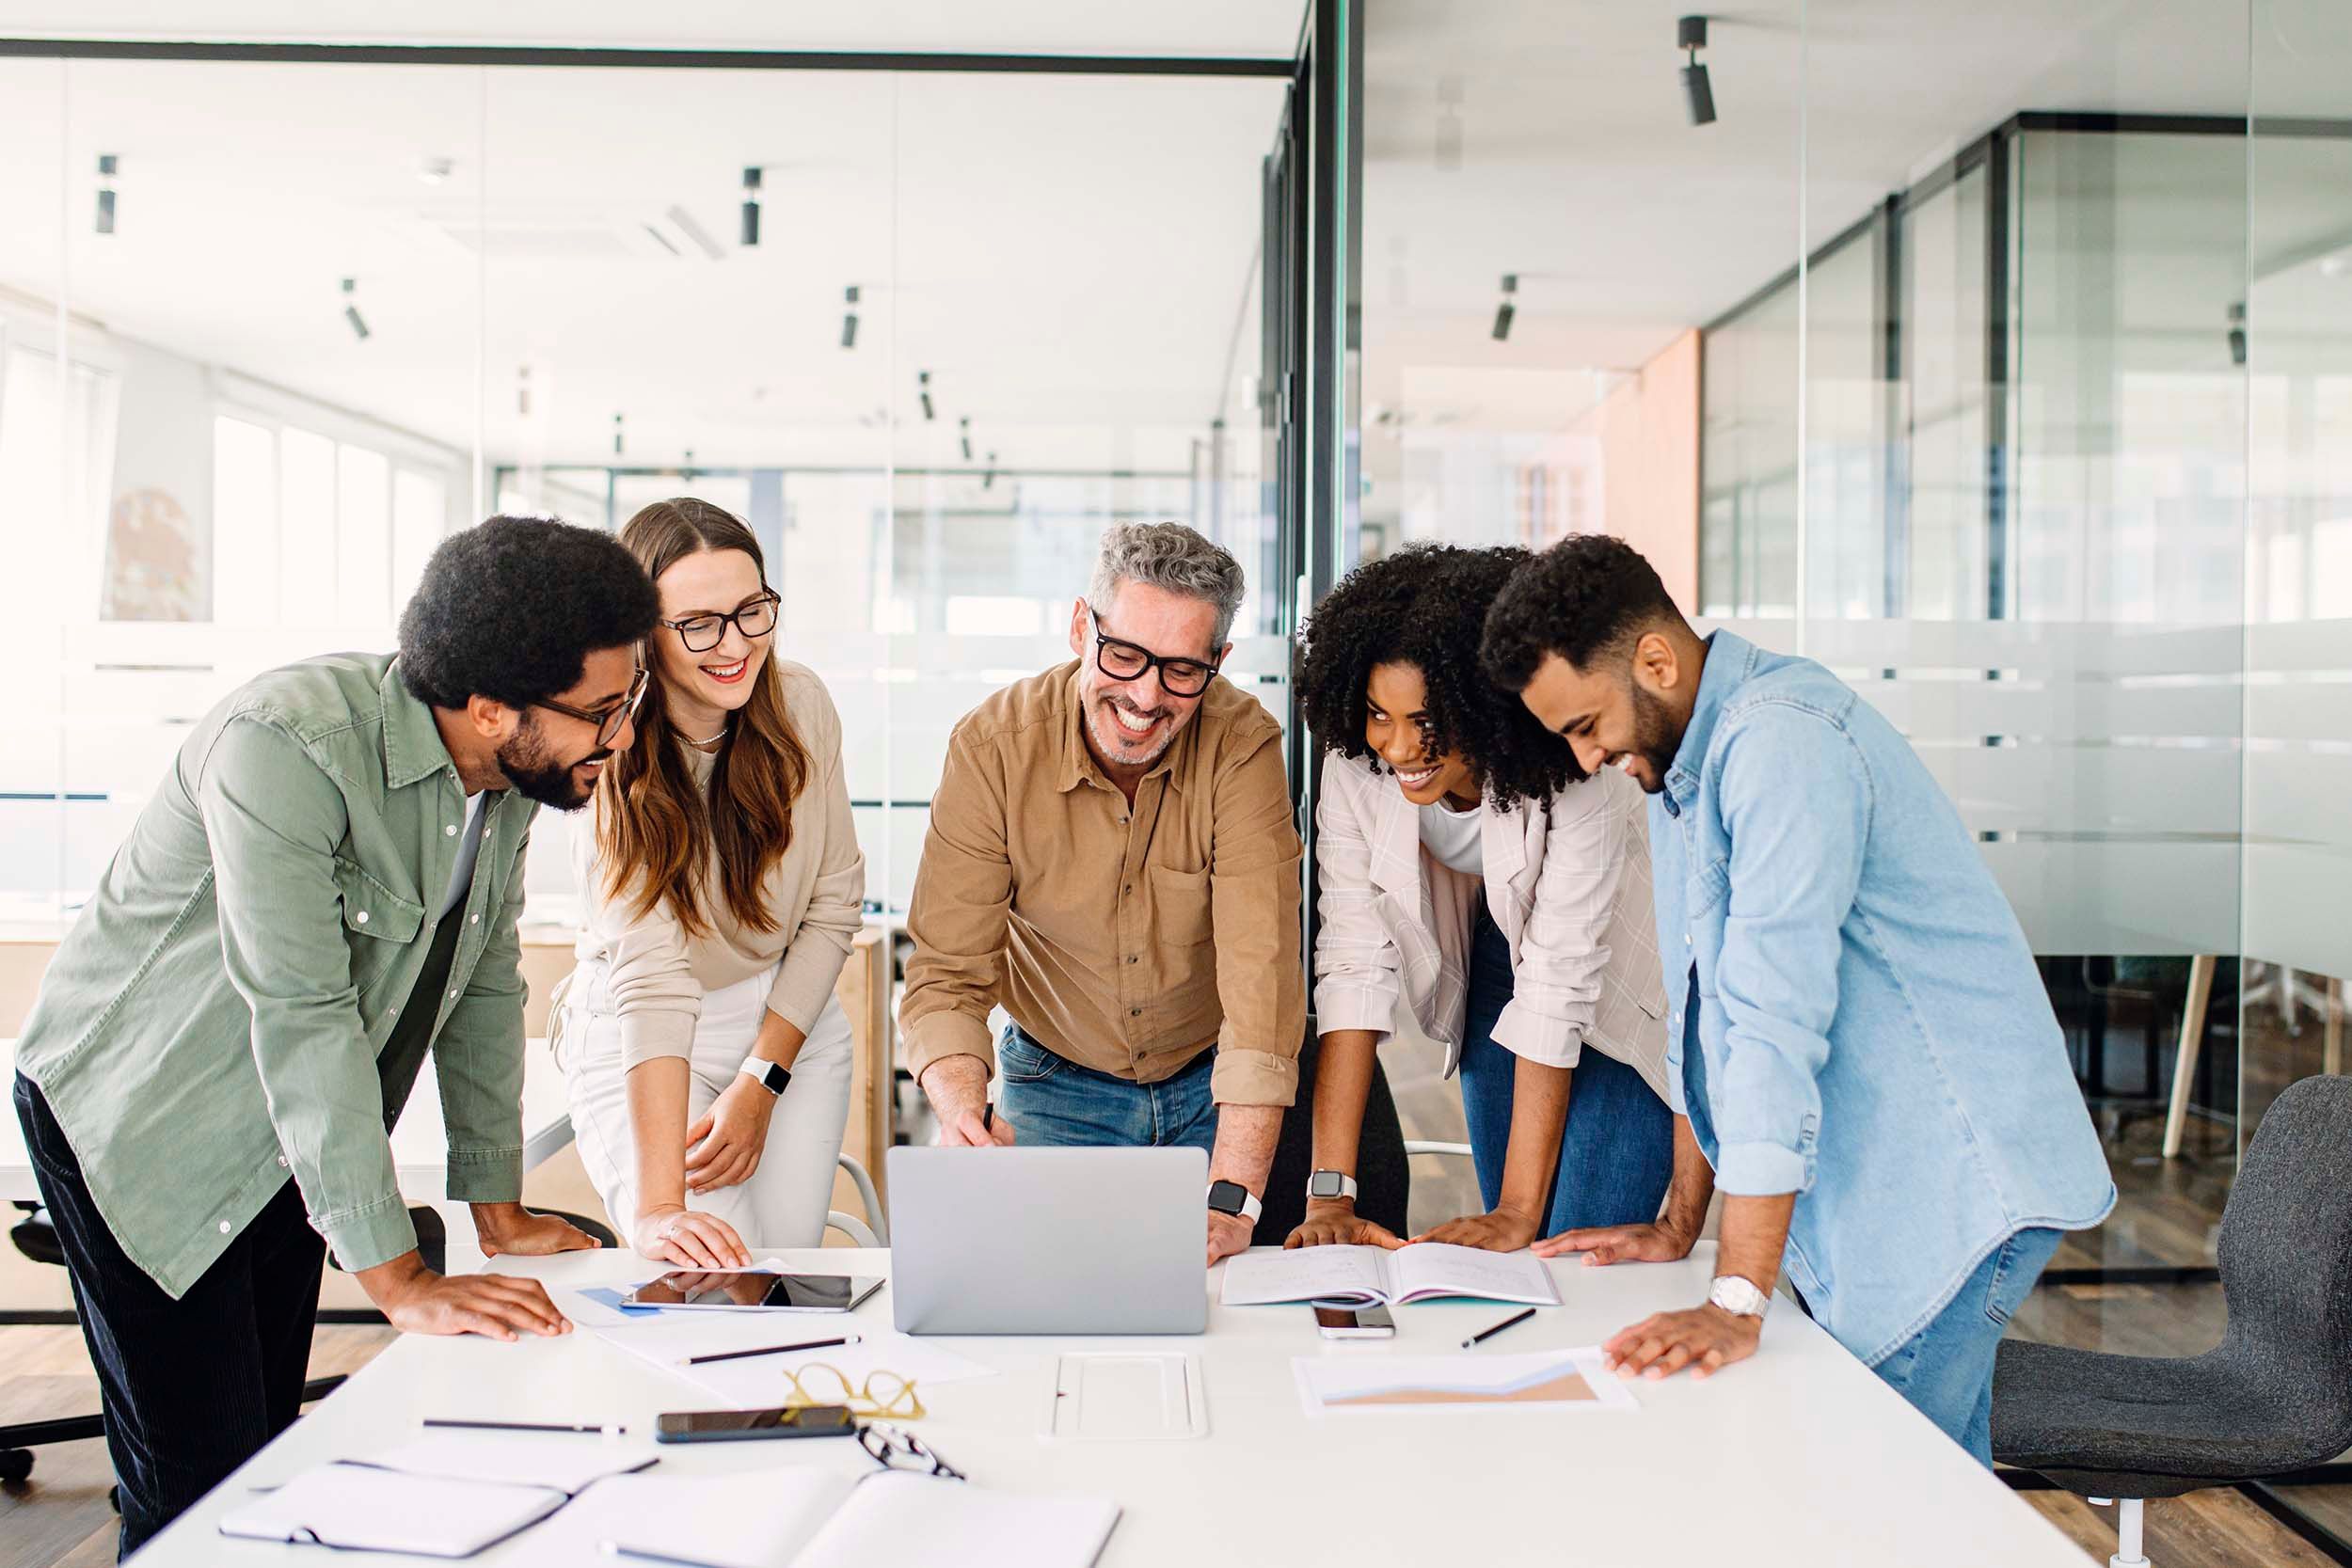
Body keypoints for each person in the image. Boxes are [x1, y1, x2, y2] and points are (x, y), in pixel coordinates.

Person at [10, 515, 659, 1555]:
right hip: (143, 1119)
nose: (621, 735)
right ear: (490, 706)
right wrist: (400, 1280)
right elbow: (300, 1009)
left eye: (629, 701)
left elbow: (484, 976)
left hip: (284, 1128)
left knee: (264, 1455)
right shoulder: (286, 743)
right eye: (602, 710)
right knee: (195, 1490)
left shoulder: (511, 777)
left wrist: (495, 1207)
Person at [1479, 534, 2115, 1465]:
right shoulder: (1681, 768)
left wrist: (1734, 1296)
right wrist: (1677, 1221)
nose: (1586, 755)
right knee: (1915, 1504)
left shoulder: (1783, 741)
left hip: (1947, 1184)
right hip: (1877, 1188)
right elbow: (1707, 1013)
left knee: (1875, 1494)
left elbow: (1776, 1022)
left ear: (1654, 659)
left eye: (1584, 724)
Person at [900, 521, 1304, 1266]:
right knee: (1037, 1296)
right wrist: (962, 1110)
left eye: (1183, 670)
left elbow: (1263, 985)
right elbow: (945, 977)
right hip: (1053, 1082)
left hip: (1210, 1084)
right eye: (1124, 655)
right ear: (1082, 626)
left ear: (1219, 662)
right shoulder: (991, 749)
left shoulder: (1242, 745)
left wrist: (1232, 1197)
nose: (1146, 696)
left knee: (1219, 1316)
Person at [1287, 545, 1677, 1256]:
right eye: (1379, 713)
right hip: (1495, 958)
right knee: (1512, 1242)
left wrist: (1522, 1211)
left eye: (1427, 720)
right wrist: (1330, 1193)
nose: (1399, 746)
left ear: (1484, 705)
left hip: (1619, 980)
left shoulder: (1573, 768)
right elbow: (1351, 965)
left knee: (1575, 1245)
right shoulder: (1356, 765)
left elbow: (1560, 978)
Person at [555, 498, 865, 1271]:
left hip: (788, 1025)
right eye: (697, 623)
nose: (734, 645)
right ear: (642, 636)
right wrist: (660, 1210)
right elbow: (655, 982)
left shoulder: (801, 705)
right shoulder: (610, 751)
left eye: (750, 610)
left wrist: (763, 1077)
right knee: (714, 1280)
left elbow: (832, 906)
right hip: (652, 1032)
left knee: (783, 1279)